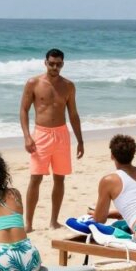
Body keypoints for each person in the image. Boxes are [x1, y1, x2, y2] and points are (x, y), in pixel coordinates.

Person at [20, 48, 84, 231]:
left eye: (58, 64)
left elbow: (73, 114)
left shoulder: (69, 86)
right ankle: (29, 224)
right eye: (51, 63)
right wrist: (27, 136)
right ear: (45, 62)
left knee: (60, 179)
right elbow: (23, 110)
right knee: (35, 178)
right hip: (41, 135)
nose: (54, 67)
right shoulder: (33, 83)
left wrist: (80, 140)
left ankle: (53, 221)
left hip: (62, 135)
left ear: (62, 64)